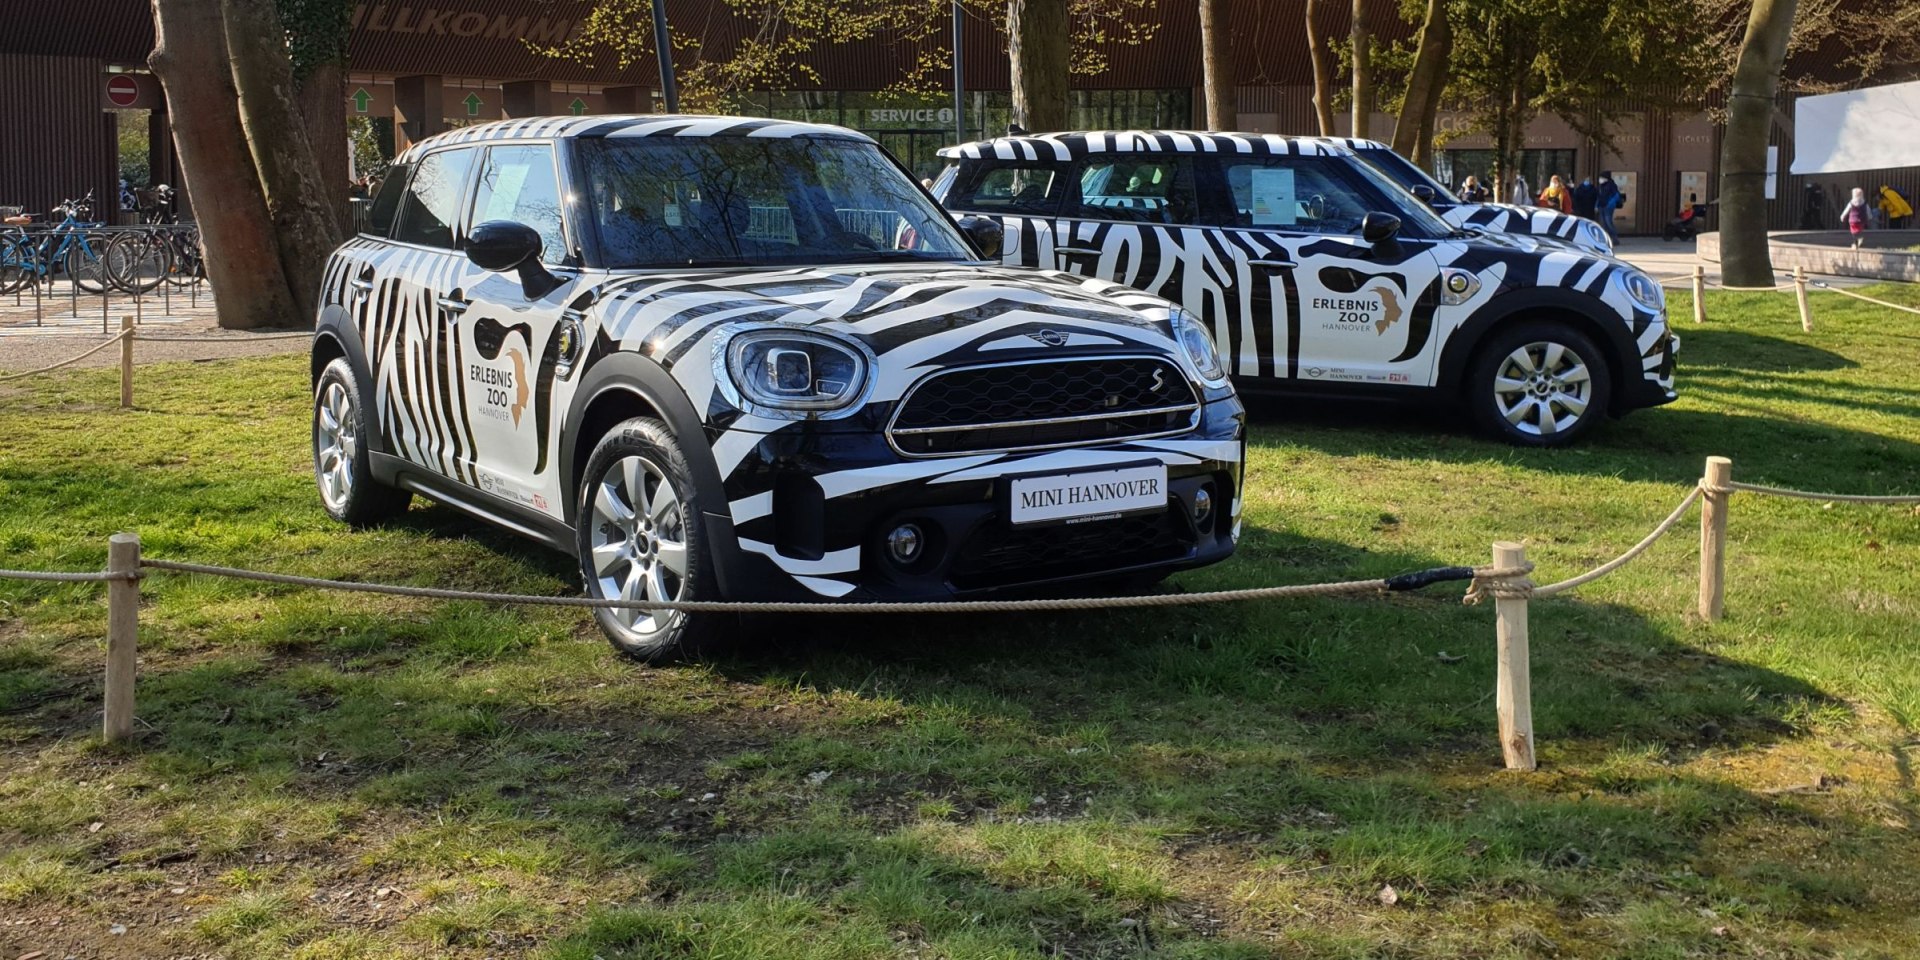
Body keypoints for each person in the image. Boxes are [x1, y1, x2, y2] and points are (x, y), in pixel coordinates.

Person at [1595, 171, 1622, 242]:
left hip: (1608, 207)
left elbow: (1616, 196)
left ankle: (1615, 239)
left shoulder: (1612, 186)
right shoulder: (1601, 186)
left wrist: (1609, 204)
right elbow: (1599, 196)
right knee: (1603, 224)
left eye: (1602, 178)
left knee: (1608, 223)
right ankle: (1606, 239)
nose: (1600, 179)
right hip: (1601, 206)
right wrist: (1596, 206)